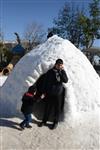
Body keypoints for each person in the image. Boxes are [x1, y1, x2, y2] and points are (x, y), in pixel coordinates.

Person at [38, 59, 68, 129]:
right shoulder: (50, 72)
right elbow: (45, 82)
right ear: (55, 64)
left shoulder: (63, 72)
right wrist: (43, 92)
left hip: (58, 93)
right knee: (47, 107)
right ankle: (44, 121)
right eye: (58, 65)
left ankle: (55, 122)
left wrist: (60, 72)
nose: (59, 66)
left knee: (57, 109)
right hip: (49, 92)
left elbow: (66, 80)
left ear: (62, 65)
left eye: (61, 65)